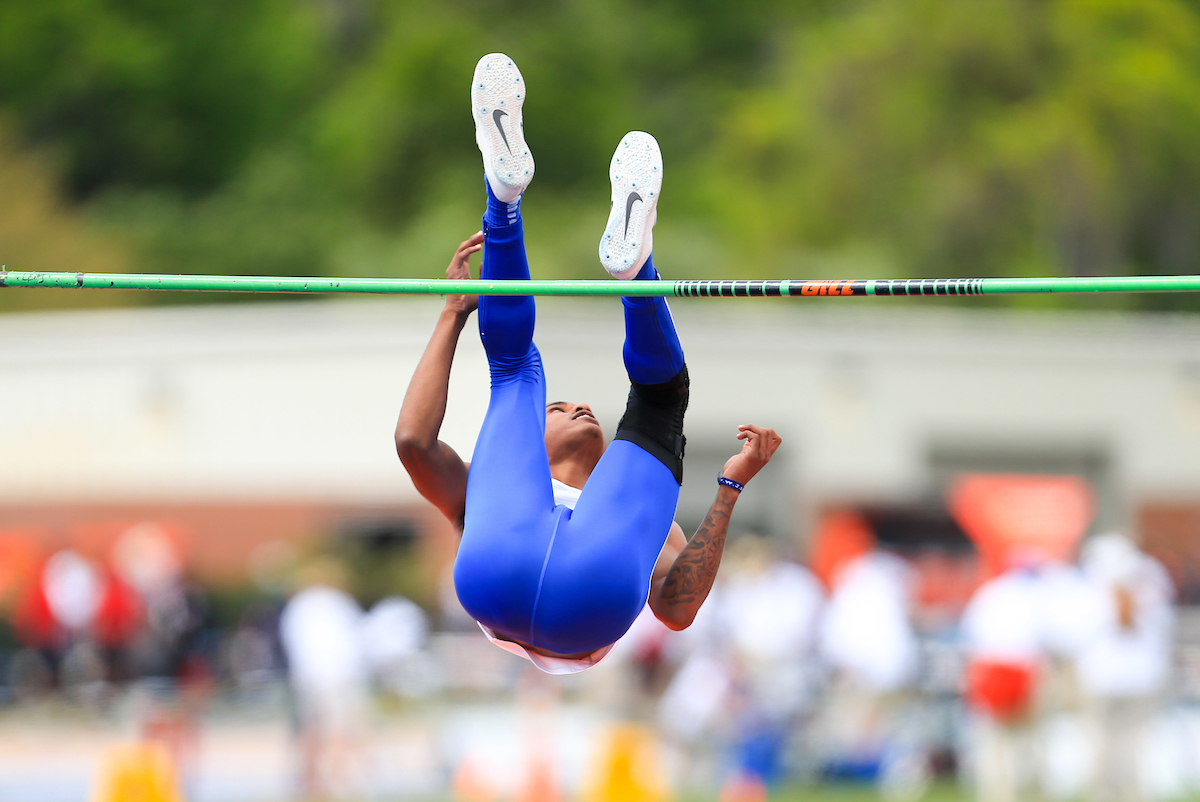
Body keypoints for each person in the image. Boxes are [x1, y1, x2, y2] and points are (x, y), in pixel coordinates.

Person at [395, 53, 781, 674]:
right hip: (583, 605)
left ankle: (505, 200)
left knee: (516, 367)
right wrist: (731, 487)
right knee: (655, 402)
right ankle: (632, 267)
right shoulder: (642, 525)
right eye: (566, 409)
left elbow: (414, 443)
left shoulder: (479, 494)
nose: (577, 407)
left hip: (502, 578)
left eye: (564, 405)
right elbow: (676, 610)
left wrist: (452, 315)